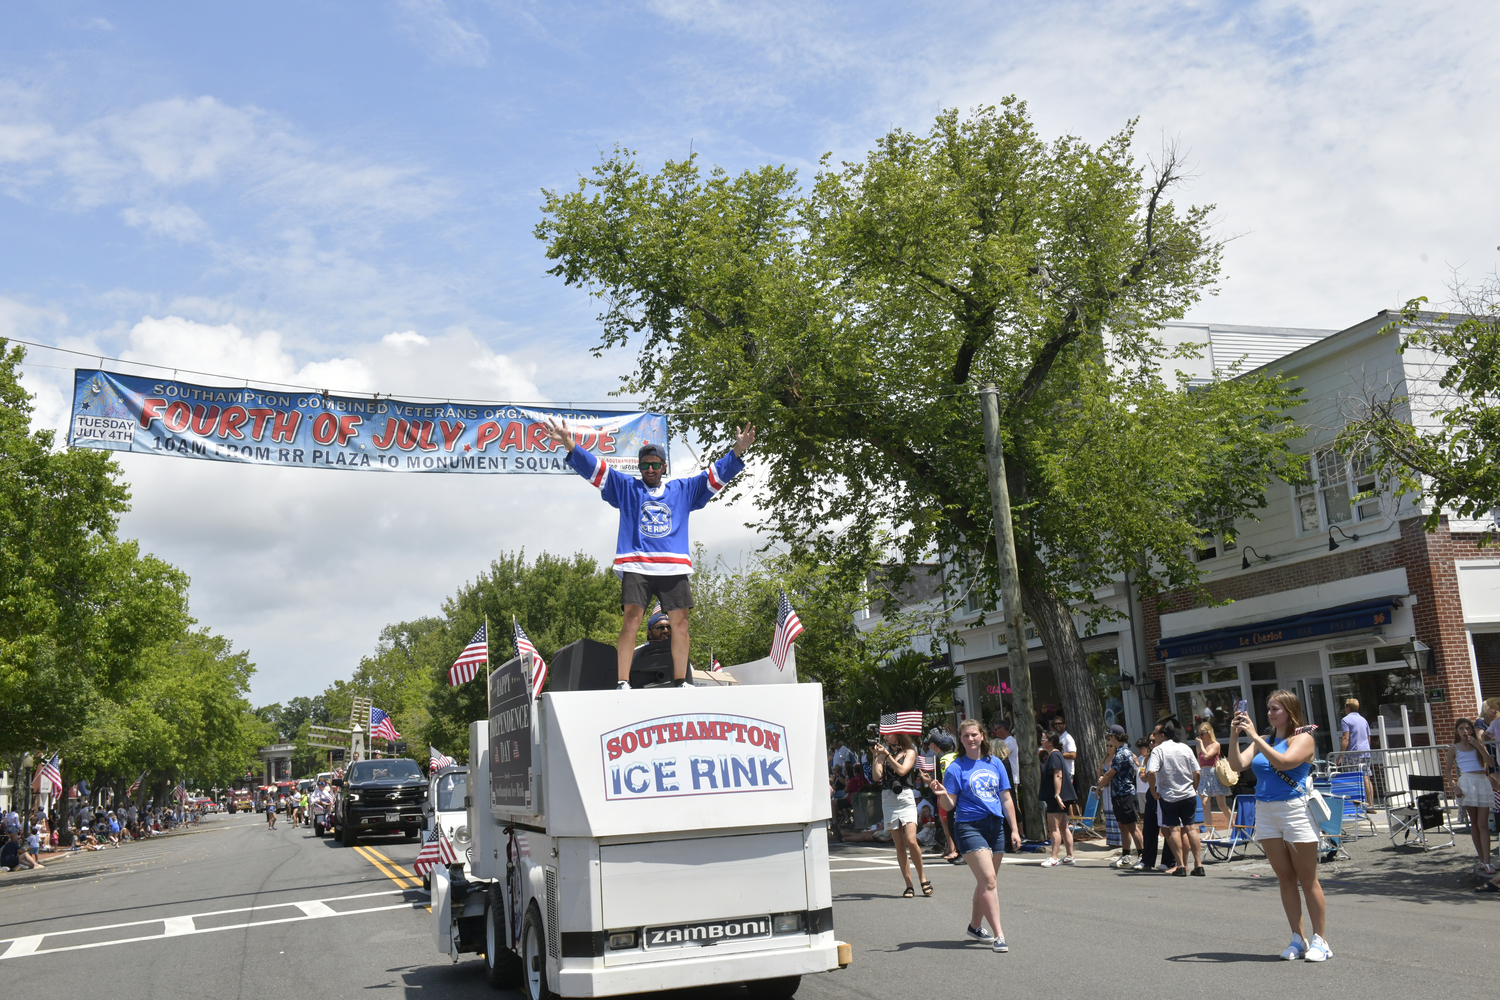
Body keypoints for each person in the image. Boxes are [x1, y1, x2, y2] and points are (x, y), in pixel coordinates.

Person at [547, 418, 756, 689]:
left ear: (663, 467)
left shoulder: (682, 490)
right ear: (639, 467)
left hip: (672, 566)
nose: (650, 469)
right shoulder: (627, 488)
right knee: (631, 621)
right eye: (644, 465)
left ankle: (682, 681)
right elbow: (596, 470)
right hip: (637, 564)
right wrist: (569, 443)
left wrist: (737, 450)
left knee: (680, 624)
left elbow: (715, 475)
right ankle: (623, 681)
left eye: (655, 465)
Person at [1227, 689, 1331, 961]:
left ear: (1290, 711)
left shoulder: (1304, 738)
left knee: (1307, 879)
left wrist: (1253, 738)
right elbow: (1237, 765)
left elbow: (1284, 762)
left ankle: (1321, 940)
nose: (1270, 713)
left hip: (1294, 810)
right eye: (1269, 708)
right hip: (1266, 810)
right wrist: (1236, 735)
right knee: (1285, 877)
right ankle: (1298, 939)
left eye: (1276, 709)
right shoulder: (1263, 739)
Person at [930, 719, 1021, 953]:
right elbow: (950, 805)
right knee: (989, 881)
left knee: (985, 881)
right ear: (960, 740)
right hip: (969, 827)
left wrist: (1014, 829)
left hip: (995, 826)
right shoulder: (955, 768)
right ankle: (1000, 935)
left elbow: (1006, 798)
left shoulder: (996, 764)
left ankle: (974, 926)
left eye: (974, 734)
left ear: (982, 736)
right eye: (965, 736)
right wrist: (941, 794)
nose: (970, 739)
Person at [871, 731, 931, 897]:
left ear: (897, 736)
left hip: (905, 797)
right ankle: (909, 884)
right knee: (899, 844)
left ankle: (923, 878)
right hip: (888, 799)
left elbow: (903, 771)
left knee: (911, 840)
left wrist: (887, 754)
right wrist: (876, 755)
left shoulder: (909, 752)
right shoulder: (883, 753)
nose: (885, 737)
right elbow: (877, 777)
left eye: (888, 735)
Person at [1147, 719, 1204, 876]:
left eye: (1156, 734)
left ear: (1163, 735)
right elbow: (1197, 771)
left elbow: (1151, 772)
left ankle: (1180, 865)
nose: (1154, 737)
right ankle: (1198, 865)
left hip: (1169, 795)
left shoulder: (1159, 750)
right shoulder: (1185, 748)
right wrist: (1194, 787)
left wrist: (1153, 790)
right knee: (1191, 828)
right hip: (1188, 794)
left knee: (1174, 829)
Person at [1444, 718, 1495, 875]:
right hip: (1466, 783)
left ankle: (1487, 861)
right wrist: (1455, 787)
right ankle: (1482, 859)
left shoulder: (1477, 746)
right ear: (1457, 731)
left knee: (1483, 824)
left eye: (1467, 728)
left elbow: (1491, 763)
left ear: (1472, 730)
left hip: (1481, 781)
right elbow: (1447, 771)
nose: (1465, 731)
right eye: (1461, 728)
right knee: (1475, 823)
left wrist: (1478, 745)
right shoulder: (1454, 748)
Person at [1096, 725, 1141, 868]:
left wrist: (1099, 787)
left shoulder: (1122, 753)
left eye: (1110, 737)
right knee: (1123, 826)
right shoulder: (1121, 752)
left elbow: (1109, 774)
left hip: (1125, 794)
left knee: (1132, 827)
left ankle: (1143, 856)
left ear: (1114, 737)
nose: (1109, 740)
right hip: (1118, 794)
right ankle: (1126, 855)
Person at [1038, 730, 1076, 867]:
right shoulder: (1056, 755)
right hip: (1061, 796)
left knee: (1054, 828)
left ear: (1050, 742)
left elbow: (1058, 775)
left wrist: (1057, 794)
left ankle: (1053, 857)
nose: (1041, 742)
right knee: (1064, 826)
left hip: (1056, 797)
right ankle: (1070, 855)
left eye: (1043, 739)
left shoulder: (1054, 756)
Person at [1196, 721, 1233, 837]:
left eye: (1202, 733)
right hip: (1204, 774)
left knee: (1221, 804)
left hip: (1214, 774)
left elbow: (1207, 756)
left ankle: (1234, 824)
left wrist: (1201, 744)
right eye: (1198, 733)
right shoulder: (1198, 746)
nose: (1200, 736)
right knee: (1204, 804)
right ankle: (1209, 831)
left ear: (1208, 732)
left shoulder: (1215, 744)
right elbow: (1199, 762)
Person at [1339, 697, 1375, 809]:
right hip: (1365, 752)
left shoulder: (1345, 720)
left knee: (1353, 778)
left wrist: (1340, 756)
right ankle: (1371, 805)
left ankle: (1356, 807)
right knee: (1366, 777)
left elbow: (1346, 738)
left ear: (1348, 707)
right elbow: (1368, 738)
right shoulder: (1363, 720)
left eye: (1345, 706)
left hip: (1353, 753)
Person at [1051, 715, 1078, 801]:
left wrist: (1058, 754)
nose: (1057, 725)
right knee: (1060, 798)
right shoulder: (1057, 738)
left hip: (1067, 772)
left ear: (1064, 725)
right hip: (1059, 772)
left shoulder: (1068, 738)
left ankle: (1069, 815)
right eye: (1055, 724)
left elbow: (1073, 755)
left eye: (1060, 723)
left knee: (1066, 798)